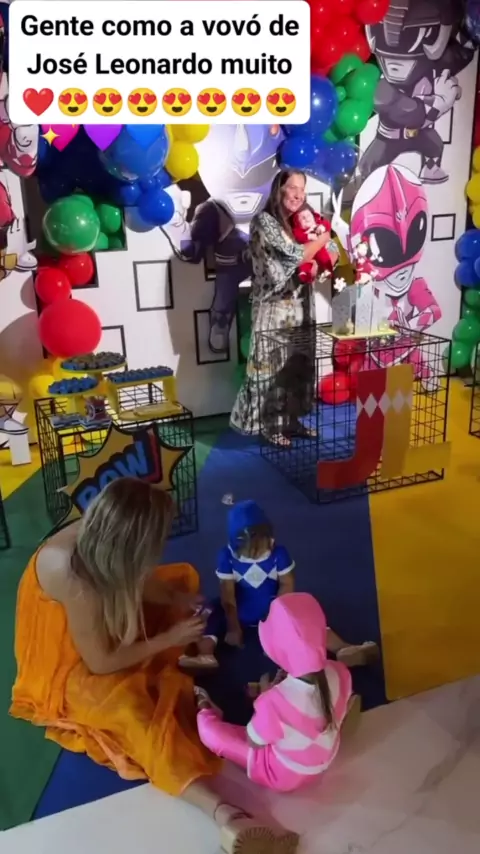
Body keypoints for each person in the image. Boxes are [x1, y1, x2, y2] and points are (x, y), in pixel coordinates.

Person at [10, 478, 298, 854]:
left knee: (183, 584)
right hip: (71, 663)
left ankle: (190, 652)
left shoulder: (108, 539)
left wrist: (177, 600)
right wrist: (169, 638)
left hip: (104, 618)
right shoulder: (72, 574)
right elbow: (100, 662)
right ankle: (225, 814)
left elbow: (134, 577)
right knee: (133, 713)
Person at [179, 499, 379, 671]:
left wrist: (237, 627)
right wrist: (274, 617)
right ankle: (342, 648)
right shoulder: (275, 553)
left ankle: (206, 653)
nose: (256, 553)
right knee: (303, 616)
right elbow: (286, 585)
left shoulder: (231, 556)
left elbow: (228, 597)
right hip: (265, 610)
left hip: (248, 611)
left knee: (211, 611)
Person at [196, 593, 358, 792]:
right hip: (324, 760)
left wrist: (265, 697)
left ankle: (203, 705)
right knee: (315, 715)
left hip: (283, 775)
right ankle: (335, 721)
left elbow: (254, 742)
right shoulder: (340, 672)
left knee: (211, 733)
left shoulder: (273, 702)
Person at [230, 169, 339, 447]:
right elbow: (294, 255)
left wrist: (321, 260)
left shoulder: (303, 220)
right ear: (279, 189)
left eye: (302, 189)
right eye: (292, 187)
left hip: (301, 308)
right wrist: (323, 238)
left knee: (298, 368)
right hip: (274, 311)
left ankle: (291, 421)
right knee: (271, 371)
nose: (298, 194)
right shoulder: (264, 221)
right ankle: (271, 426)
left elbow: (329, 255)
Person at [291, 204, 339, 284]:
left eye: (308, 215)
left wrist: (322, 227)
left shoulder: (318, 223)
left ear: (313, 216)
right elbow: (297, 236)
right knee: (305, 264)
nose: (306, 219)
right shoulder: (299, 231)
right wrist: (308, 236)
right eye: (302, 218)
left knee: (323, 255)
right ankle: (304, 274)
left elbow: (327, 224)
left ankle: (327, 269)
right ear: (297, 223)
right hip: (306, 252)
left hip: (321, 249)